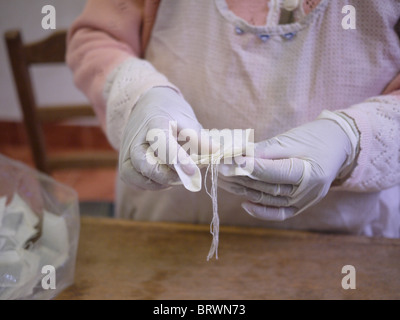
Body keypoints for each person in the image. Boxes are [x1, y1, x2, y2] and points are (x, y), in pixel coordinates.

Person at [67, 0, 400, 238]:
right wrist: (141, 93)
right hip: (168, 228)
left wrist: (352, 137)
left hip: (345, 238)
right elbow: (98, 38)